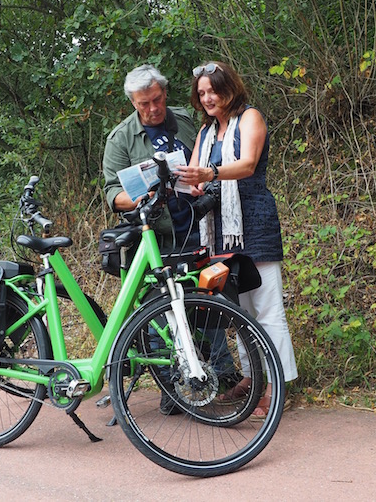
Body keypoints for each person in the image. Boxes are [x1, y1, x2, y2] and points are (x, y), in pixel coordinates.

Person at [177, 60, 299, 418]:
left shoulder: (250, 118)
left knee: (267, 308)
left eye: (212, 90)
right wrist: (191, 182)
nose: (207, 98)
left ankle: (278, 385)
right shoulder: (204, 133)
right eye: (201, 94)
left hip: (255, 223)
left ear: (228, 87)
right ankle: (253, 377)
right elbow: (196, 180)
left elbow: (247, 164)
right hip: (220, 228)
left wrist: (209, 172)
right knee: (240, 310)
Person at [102, 64, 200, 252]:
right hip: (161, 238)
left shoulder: (182, 118)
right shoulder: (120, 139)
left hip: (201, 223)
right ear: (133, 103)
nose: (153, 109)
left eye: (157, 99)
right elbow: (113, 193)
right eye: (144, 104)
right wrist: (143, 199)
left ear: (164, 93)